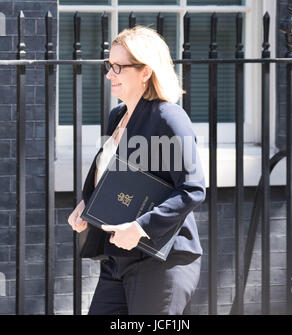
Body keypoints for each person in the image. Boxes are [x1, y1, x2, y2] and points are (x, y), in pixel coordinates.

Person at [67, 26, 206, 315]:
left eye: (118, 67)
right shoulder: (117, 116)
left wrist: (141, 227)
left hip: (162, 262)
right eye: (109, 65)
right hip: (118, 258)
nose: (109, 74)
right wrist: (86, 205)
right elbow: (112, 178)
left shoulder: (169, 117)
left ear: (145, 72)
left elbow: (193, 189)